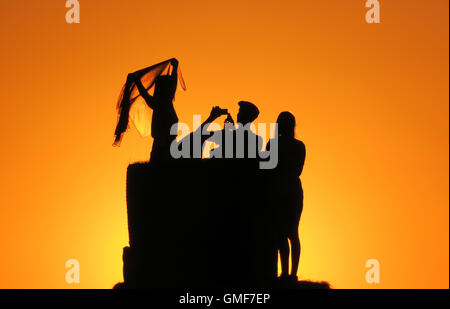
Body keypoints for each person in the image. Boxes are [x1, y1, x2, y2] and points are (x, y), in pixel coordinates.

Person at [267, 111, 306, 282]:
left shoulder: (274, 144)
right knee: (292, 233)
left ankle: (285, 273)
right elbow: (298, 170)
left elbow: (267, 168)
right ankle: (291, 274)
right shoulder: (299, 146)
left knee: (282, 233)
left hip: (280, 190)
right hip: (293, 190)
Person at [130, 58, 179, 162]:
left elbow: (145, 94)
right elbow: (173, 83)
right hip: (166, 145)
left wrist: (136, 81)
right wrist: (175, 68)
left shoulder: (162, 103)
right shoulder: (164, 103)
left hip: (164, 145)